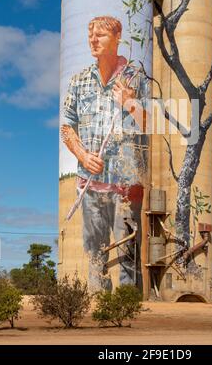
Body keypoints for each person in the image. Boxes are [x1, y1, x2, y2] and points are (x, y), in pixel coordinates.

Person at [61, 16, 150, 291]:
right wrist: (82, 155)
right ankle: (97, 312)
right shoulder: (79, 81)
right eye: (91, 35)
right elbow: (66, 126)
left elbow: (151, 124)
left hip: (126, 185)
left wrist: (131, 103)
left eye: (100, 35)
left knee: (128, 254)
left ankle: (127, 312)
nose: (93, 40)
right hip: (89, 185)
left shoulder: (135, 75)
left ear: (117, 38)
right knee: (94, 253)